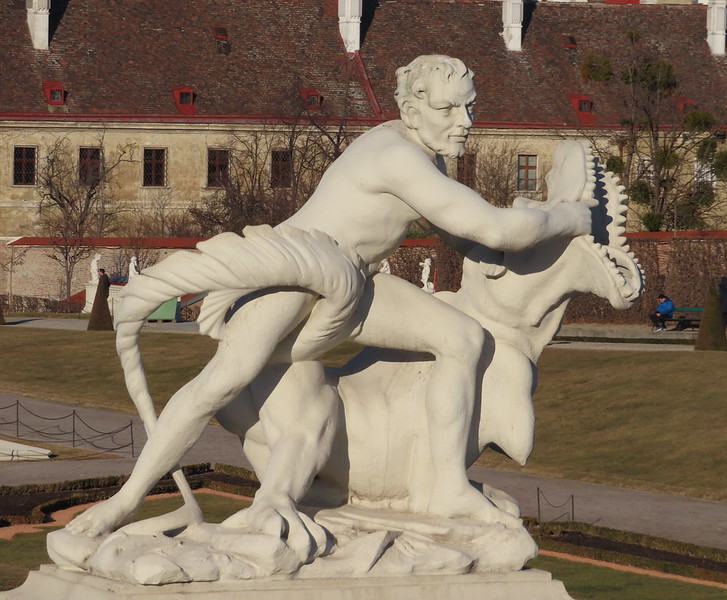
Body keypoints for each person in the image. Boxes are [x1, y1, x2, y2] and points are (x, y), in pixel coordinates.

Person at [67, 55, 594, 540]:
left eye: (470, 107)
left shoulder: (423, 157)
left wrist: (508, 243)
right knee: (219, 384)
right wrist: (568, 217)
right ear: (412, 111)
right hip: (297, 276)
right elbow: (493, 229)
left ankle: (448, 487)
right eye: (449, 109)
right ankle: (124, 501)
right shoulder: (396, 156)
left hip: (352, 284)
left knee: (462, 339)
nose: (465, 122)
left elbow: (466, 233)